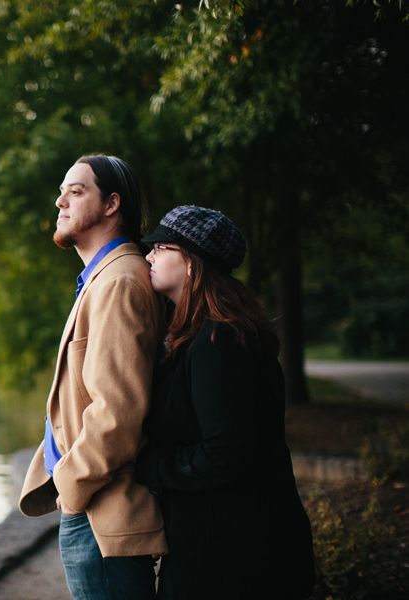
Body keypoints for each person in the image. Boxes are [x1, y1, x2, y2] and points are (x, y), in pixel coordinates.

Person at [134, 205, 316, 599]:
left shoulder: (220, 341)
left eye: (161, 247)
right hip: (220, 543)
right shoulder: (195, 334)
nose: (148, 255)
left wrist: (147, 465)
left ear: (191, 264)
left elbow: (225, 453)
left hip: (237, 556)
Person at [19, 154, 167, 600]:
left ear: (111, 204)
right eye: (63, 190)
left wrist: (71, 484)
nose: (60, 200)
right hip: (93, 507)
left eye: (76, 190)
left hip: (102, 515)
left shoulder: (119, 281)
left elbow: (117, 413)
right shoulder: (103, 278)